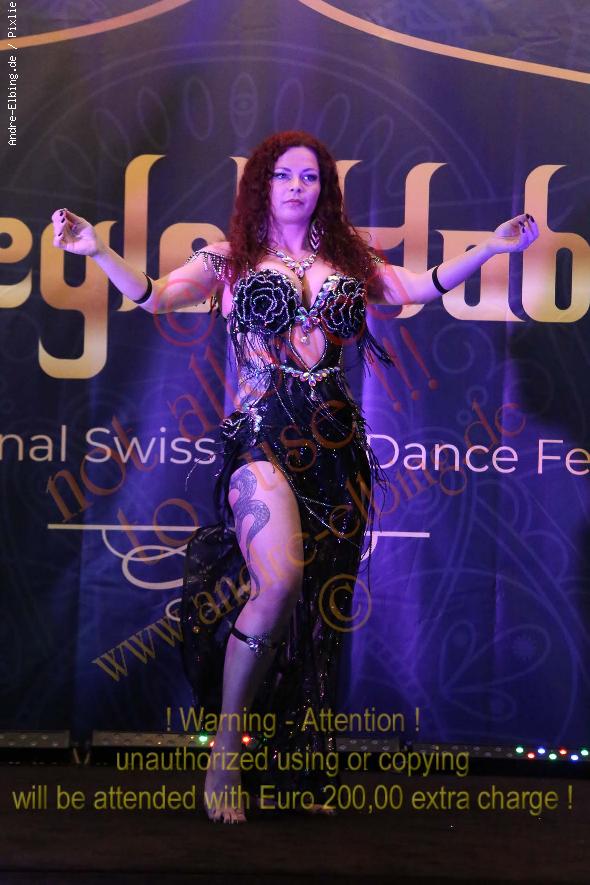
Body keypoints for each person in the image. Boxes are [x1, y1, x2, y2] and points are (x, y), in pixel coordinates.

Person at [52, 130, 539, 823]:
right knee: (278, 583)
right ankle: (226, 750)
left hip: (336, 448)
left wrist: (490, 248)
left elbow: (412, 288)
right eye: (284, 176)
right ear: (262, 183)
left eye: (309, 177)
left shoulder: (349, 257)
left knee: (315, 611)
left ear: (324, 189)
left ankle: (294, 767)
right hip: (261, 439)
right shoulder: (230, 259)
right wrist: (96, 250)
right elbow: (155, 297)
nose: (297, 187)